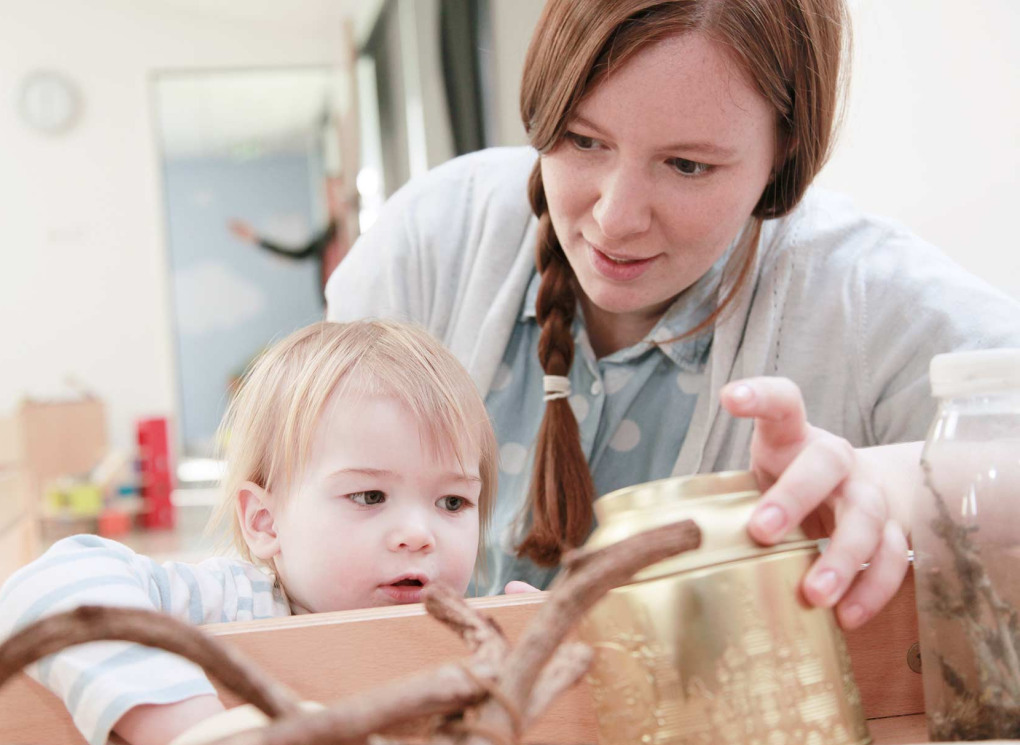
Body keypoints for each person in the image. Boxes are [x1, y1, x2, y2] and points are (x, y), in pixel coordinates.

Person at [326, 0, 1020, 624]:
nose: (616, 218)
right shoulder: (433, 241)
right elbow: (291, 495)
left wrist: (896, 483)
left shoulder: (863, 292)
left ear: (783, 157)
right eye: (582, 140)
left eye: (687, 165)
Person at [0, 319, 498, 745]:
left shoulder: (469, 630)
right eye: (369, 497)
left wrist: (525, 633)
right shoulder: (228, 603)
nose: (418, 534)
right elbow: (49, 592)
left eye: (452, 502)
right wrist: (197, 731)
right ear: (265, 523)